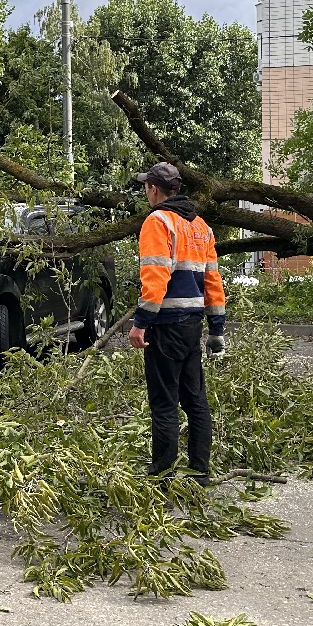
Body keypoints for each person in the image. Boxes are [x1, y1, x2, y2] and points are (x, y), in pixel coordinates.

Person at [127, 161, 226, 485]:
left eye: (146, 186)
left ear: (154, 189)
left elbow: (155, 275)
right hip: (192, 324)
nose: (145, 191)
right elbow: (213, 280)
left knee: (164, 402)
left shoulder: (158, 221)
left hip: (166, 324)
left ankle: (163, 477)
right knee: (195, 400)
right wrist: (216, 329)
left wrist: (141, 322)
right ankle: (200, 472)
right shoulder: (201, 227)